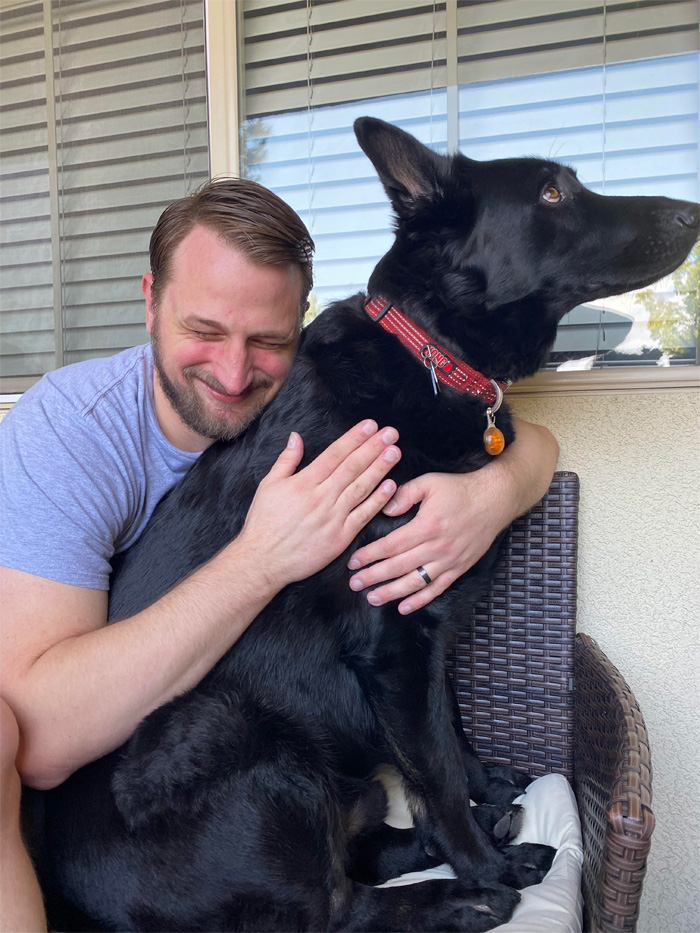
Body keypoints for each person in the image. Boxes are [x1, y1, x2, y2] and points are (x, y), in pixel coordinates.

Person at [0, 178, 559, 931]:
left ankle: (353, 854)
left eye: (266, 339)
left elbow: (502, 422)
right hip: (124, 820)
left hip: (286, 764)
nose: (234, 375)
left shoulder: (318, 388)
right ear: (149, 301)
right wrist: (262, 558)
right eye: (204, 329)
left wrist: (498, 491)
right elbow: (39, 739)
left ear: (301, 321)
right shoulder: (68, 436)